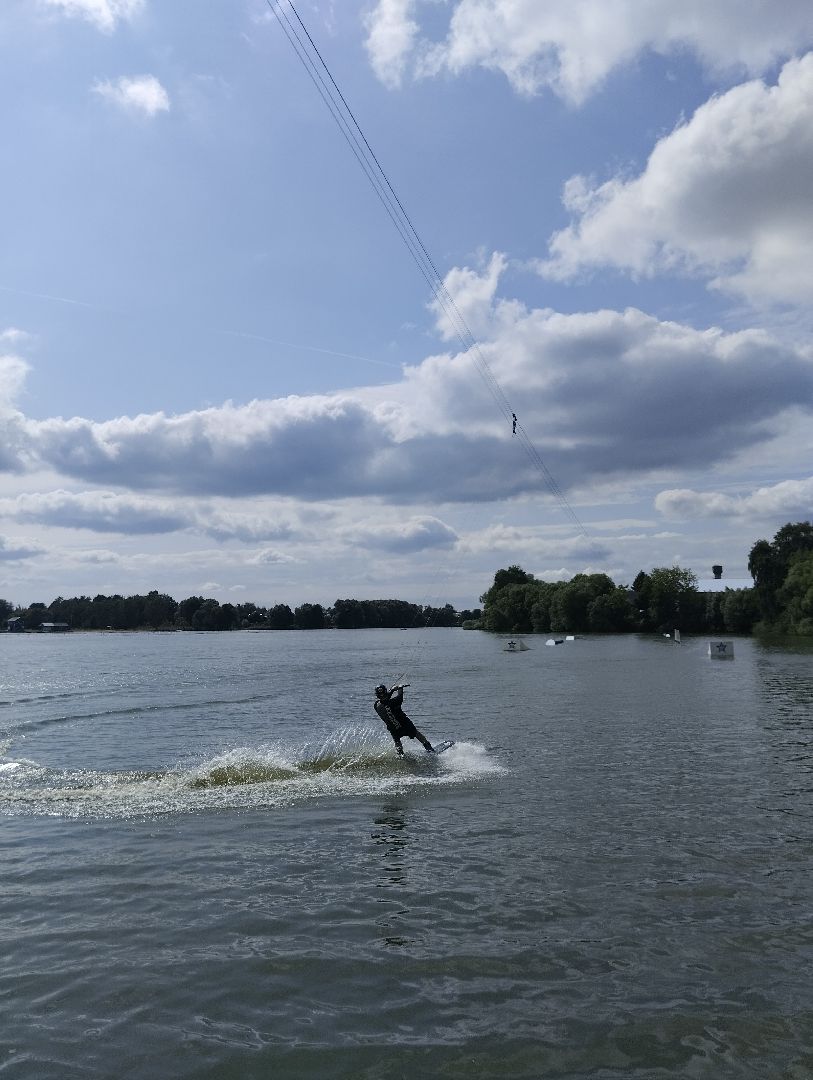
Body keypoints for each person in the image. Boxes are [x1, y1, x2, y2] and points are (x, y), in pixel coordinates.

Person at [374, 684, 435, 756]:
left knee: (397, 741)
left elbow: (384, 701)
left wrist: (392, 690)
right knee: (416, 734)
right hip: (404, 724)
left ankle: (400, 755)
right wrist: (400, 687)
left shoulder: (376, 705)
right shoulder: (395, 702)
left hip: (393, 728)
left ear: (377, 695)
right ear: (385, 692)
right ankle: (430, 749)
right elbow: (400, 697)